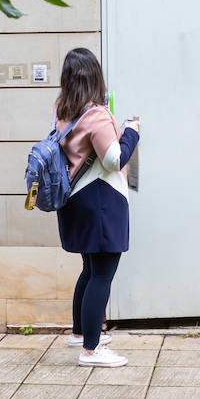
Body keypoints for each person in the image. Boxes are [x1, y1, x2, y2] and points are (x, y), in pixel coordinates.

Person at [53, 48, 140, 367]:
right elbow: (113, 159)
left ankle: (80, 333)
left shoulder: (62, 109)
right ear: (95, 77)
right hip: (101, 201)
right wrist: (132, 131)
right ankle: (90, 350)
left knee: (90, 270)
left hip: (76, 201)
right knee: (103, 273)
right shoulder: (97, 114)